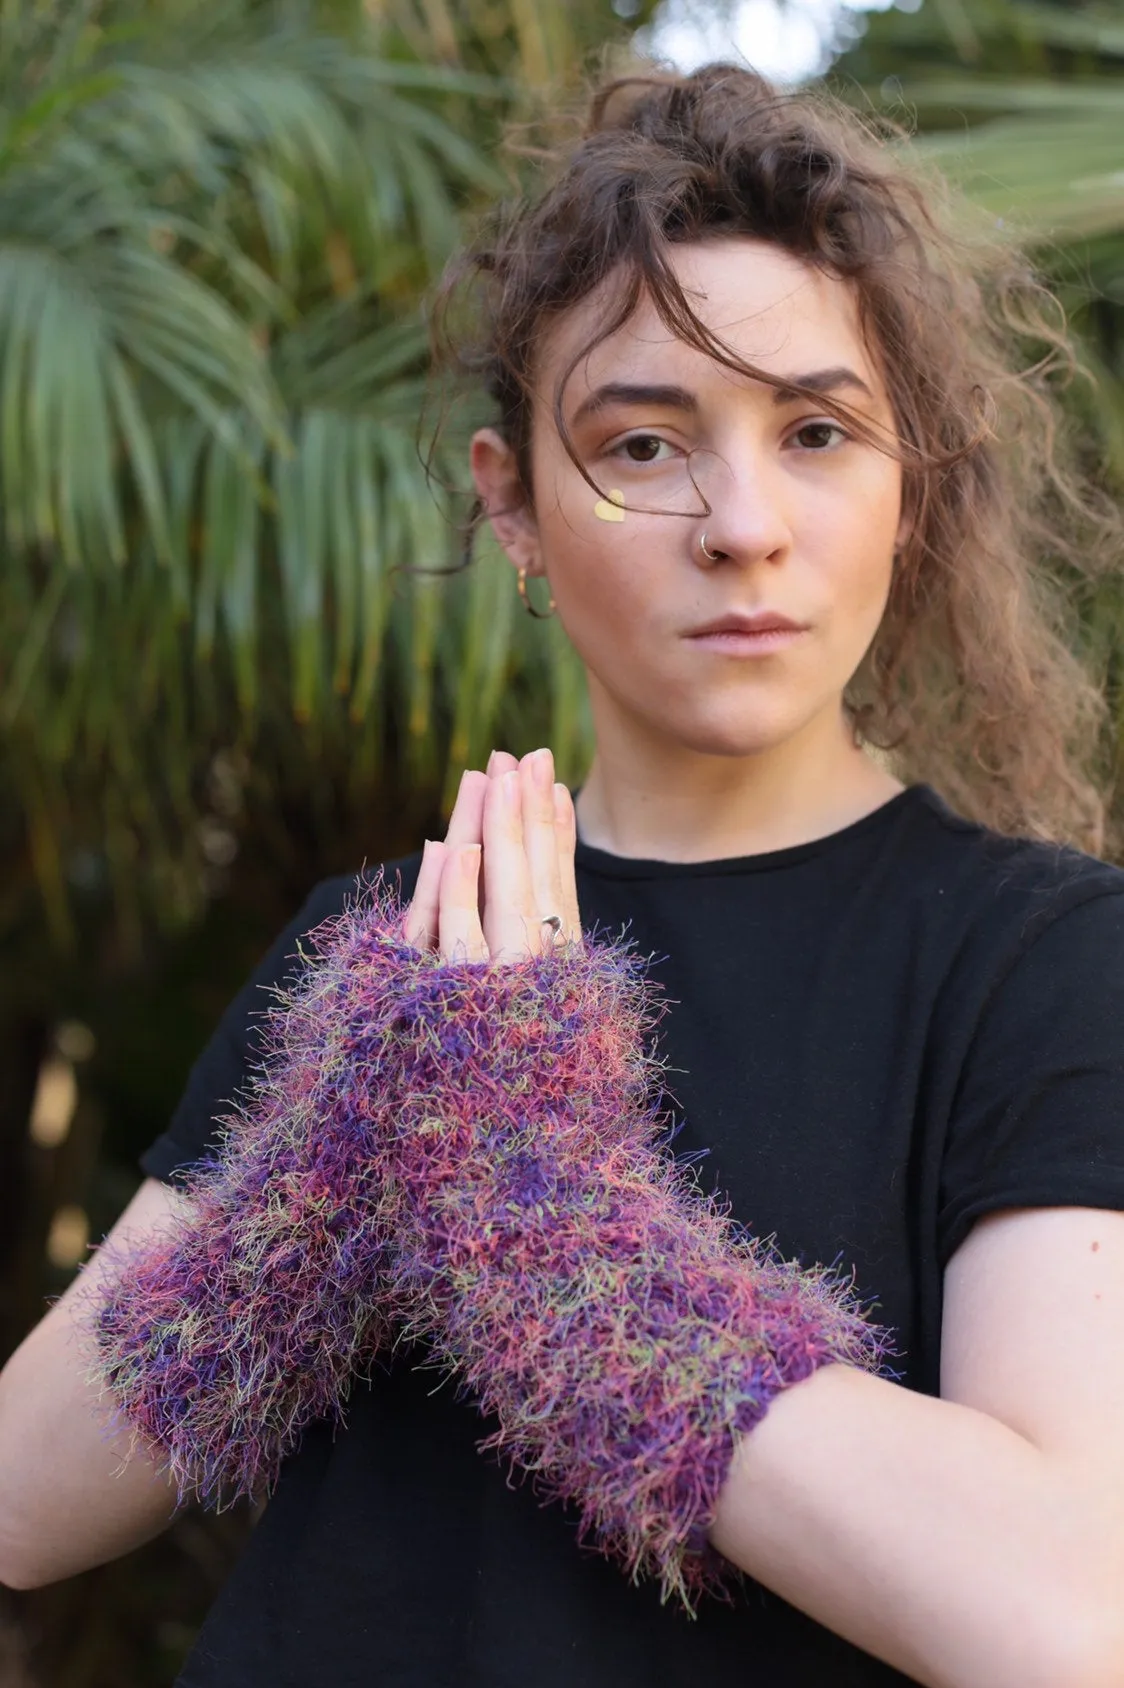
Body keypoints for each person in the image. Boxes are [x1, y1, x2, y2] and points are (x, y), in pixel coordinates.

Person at [3, 60, 1124, 1688]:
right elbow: (28, 1504)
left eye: (818, 430)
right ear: (512, 505)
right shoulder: (388, 944)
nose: (743, 522)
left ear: (913, 486)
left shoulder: (1046, 959)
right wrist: (344, 1161)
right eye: (646, 444)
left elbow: (1060, 1620)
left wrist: (533, 1203)